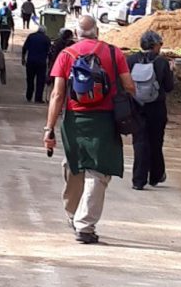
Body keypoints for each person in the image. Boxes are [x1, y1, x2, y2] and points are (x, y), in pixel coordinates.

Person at [44, 15, 136, 244]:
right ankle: (85, 226)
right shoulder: (115, 54)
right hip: (105, 120)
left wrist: (49, 128)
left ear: (77, 33)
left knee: (74, 165)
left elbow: (57, 95)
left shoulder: (67, 55)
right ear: (97, 31)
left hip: (74, 119)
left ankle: (73, 212)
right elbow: (129, 86)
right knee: (98, 171)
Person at [127, 31, 175, 190]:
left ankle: (138, 180)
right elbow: (168, 87)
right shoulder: (161, 62)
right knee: (156, 141)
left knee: (140, 142)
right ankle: (155, 175)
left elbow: (124, 84)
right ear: (154, 45)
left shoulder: (131, 60)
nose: (160, 47)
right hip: (157, 108)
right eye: (159, 44)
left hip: (136, 106)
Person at [22, 25, 52, 103]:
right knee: (40, 81)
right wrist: (50, 63)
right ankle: (38, 98)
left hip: (30, 61)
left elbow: (24, 48)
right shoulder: (46, 39)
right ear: (45, 31)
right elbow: (50, 52)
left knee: (30, 79)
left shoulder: (31, 36)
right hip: (41, 63)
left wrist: (23, 58)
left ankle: (29, 96)